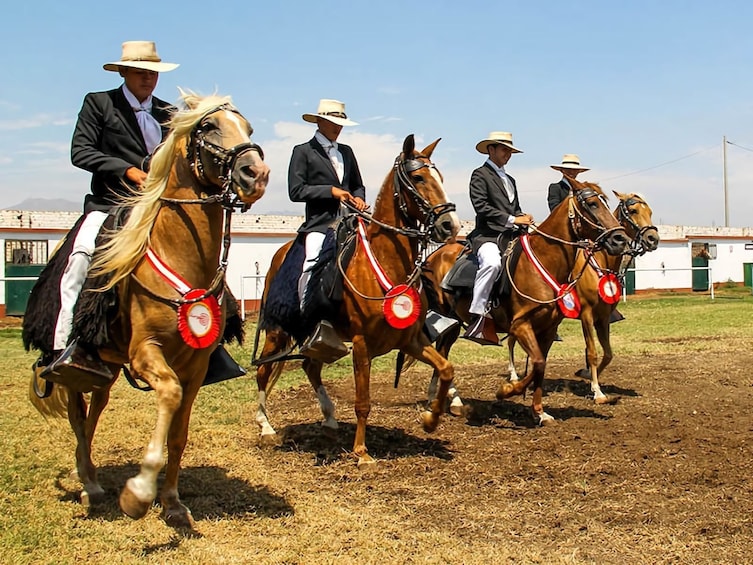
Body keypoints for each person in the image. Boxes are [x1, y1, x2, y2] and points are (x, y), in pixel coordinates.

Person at [44, 41, 242, 385]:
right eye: (139, 72)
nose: (147, 79)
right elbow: (81, 151)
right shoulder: (99, 104)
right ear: (122, 72)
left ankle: (210, 349)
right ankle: (65, 345)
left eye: (152, 73)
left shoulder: (170, 114)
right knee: (81, 254)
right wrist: (126, 170)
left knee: (205, 264)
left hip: (159, 208)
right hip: (111, 204)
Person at [288, 99, 368, 359]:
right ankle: (306, 320)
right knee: (311, 261)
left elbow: (357, 184)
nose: (338, 128)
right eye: (334, 123)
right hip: (320, 223)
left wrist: (359, 198)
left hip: (350, 221)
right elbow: (296, 190)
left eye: (341, 124)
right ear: (320, 122)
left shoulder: (347, 151)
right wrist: (330, 192)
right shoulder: (303, 151)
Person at [464, 132, 534, 345]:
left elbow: (516, 208)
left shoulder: (510, 179)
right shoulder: (479, 175)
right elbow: (482, 208)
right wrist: (513, 219)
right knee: (493, 264)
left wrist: (524, 217)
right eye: (504, 150)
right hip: (488, 235)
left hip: (511, 235)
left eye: (510, 151)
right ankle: (478, 315)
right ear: (491, 150)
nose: (508, 154)